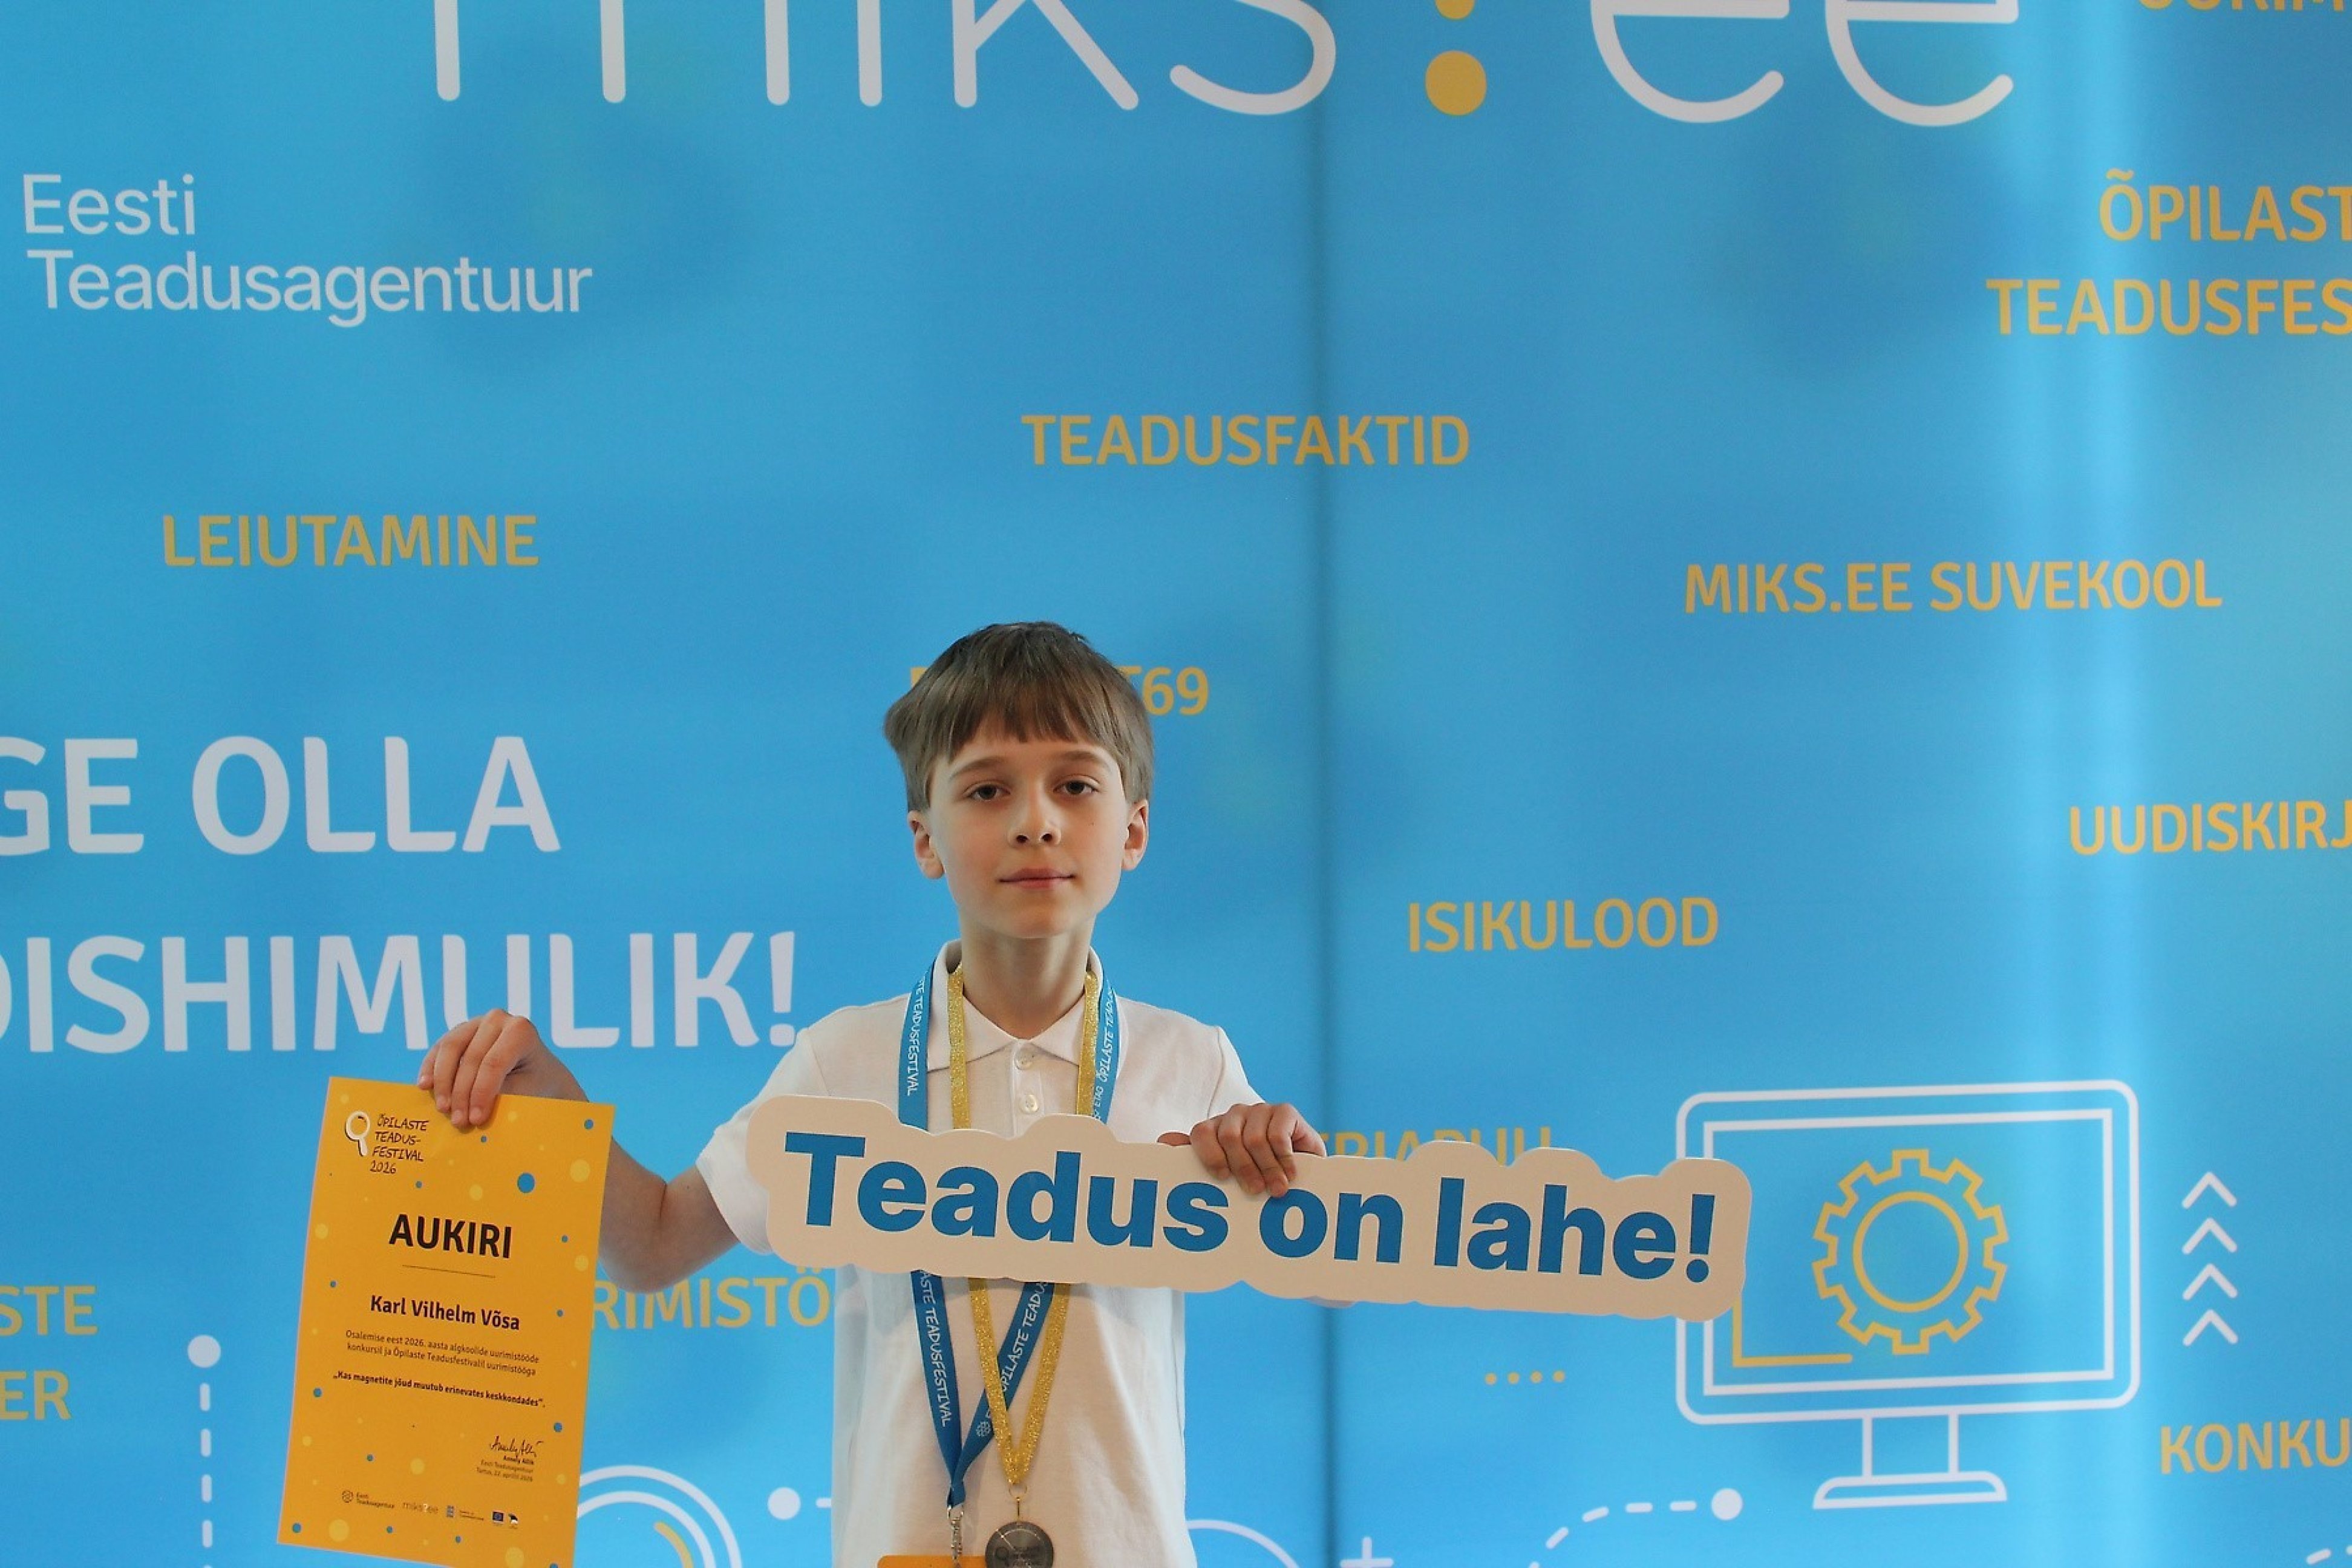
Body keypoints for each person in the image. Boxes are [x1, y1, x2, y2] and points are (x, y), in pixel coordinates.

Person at [417, 621, 1324, 1567]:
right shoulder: (844, 1062)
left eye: (1076, 786)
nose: (1036, 821)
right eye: (987, 790)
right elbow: (651, 1246)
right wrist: (552, 1108)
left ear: (1133, 829)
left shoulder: (1191, 1061)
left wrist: (1286, 1160)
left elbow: (1329, 1267)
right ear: (925, 839)